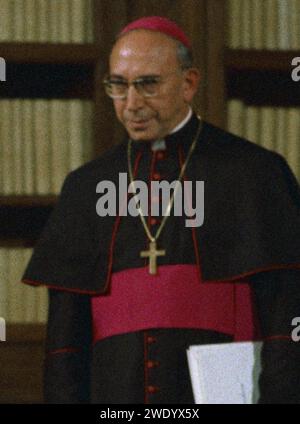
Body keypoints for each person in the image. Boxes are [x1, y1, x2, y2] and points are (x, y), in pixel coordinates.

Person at [22, 16, 300, 404]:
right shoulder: (85, 187)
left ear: (189, 84)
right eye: (118, 85)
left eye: (148, 84)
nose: (132, 103)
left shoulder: (255, 172)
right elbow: (64, 343)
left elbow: (285, 318)